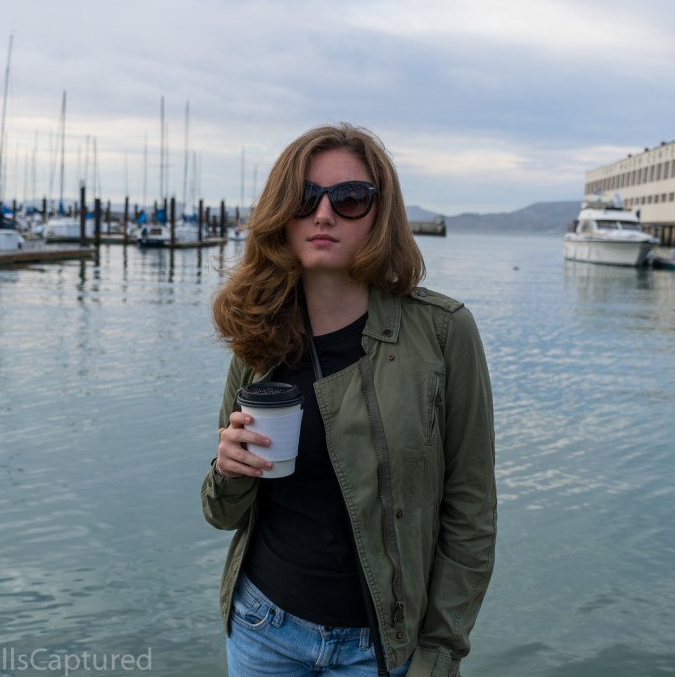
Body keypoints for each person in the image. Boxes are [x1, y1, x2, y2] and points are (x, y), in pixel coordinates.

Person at [201, 123, 496, 677]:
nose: (324, 214)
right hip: (263, 628)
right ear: (281, 213)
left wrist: (438, 653)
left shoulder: (443, 333)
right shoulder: (260, 331)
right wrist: (228, 469)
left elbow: (472, 512)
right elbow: (221, 512)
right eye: (305, 197)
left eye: (350, 197)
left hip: (381, 650)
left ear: (380, 213)